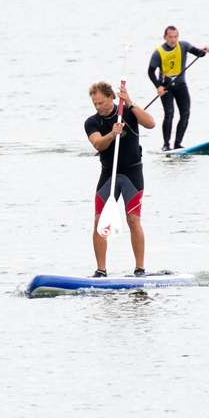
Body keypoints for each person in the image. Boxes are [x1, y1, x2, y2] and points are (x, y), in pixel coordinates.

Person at [84, 81, 155, 278]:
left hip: (132, 174)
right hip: (109, 175)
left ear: (111, 98)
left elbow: (150, 123)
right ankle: (101, 270)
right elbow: (98, 144)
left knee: (133, 220)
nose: (98, 107)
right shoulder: (92, 122)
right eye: (95, 104)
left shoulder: (128, 112)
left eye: (101, 103)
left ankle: (140, 269)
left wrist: (130, 103)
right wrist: (112, 134)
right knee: (100, 221)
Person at [147, 26, 209, 150]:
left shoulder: (183, 46)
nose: (173, 40)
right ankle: (166, 145)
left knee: (185, 114)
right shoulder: (158, 52)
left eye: (175, 37)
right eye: (170, 37)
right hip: (166, 86)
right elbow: (150, 72)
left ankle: (177, 144)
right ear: (164, 37)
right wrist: (158, 86)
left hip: (181, 85)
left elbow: (199, 53)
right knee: (169, 113)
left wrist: (204, 50)